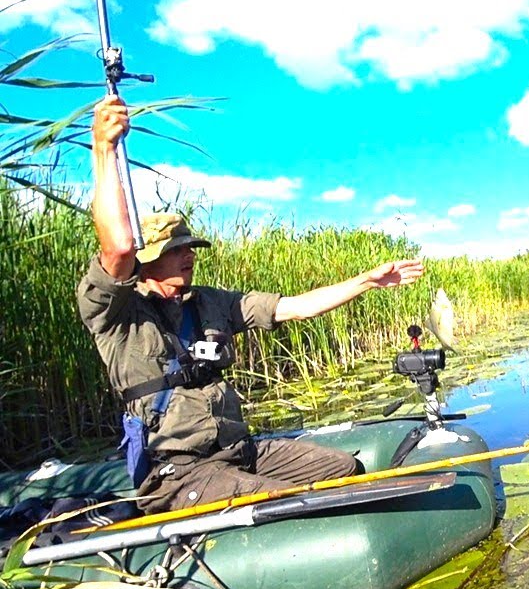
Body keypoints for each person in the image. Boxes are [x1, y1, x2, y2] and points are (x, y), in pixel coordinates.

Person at [79, 95, 425, 514]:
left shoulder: (209, 303)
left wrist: (366, 281)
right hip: (177, 474)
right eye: (176, 250)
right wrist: (104, 148)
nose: (189, 255)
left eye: (190, 247)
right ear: (146, 260)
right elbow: (117, 249)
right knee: (286, 504)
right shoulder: (116, 314)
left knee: (344, 468)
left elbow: (296, 307)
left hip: (237, 452)